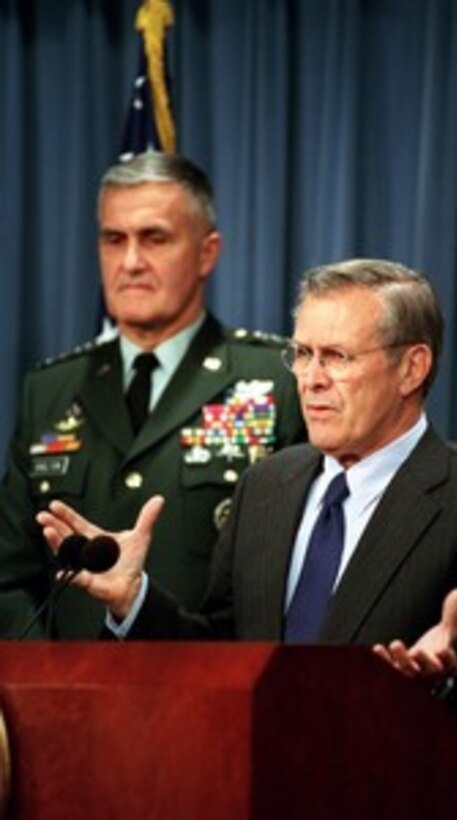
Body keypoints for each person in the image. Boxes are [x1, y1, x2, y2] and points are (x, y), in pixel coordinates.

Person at [38, 259, 457, 757]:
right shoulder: (267, 485)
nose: (311, 379)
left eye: (337, 356)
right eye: (302, 354)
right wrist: (135, 601)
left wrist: (442, 685)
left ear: (412, 368)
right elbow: (226, 656)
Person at [0, 151, 305, 639]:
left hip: (210, 696)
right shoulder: (50, 389)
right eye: (113, 239)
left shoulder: (276, 380)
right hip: (65, 701)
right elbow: (8, 576)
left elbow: (296, 578)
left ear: (208, 252)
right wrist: (47, 687)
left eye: (155, 238)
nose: (131, 262)